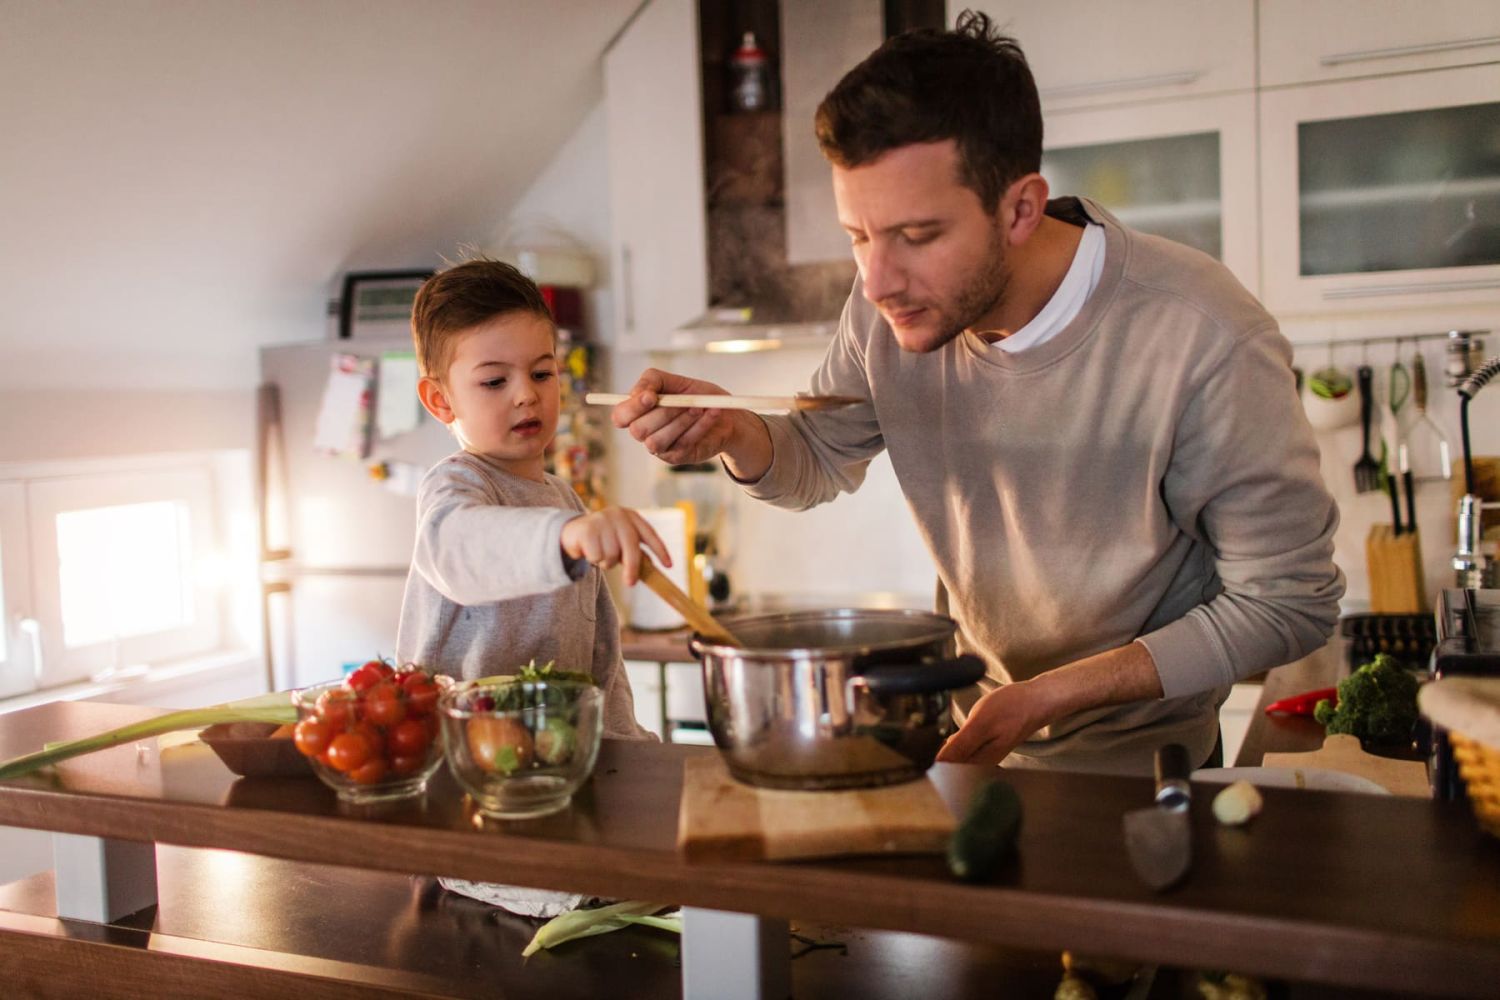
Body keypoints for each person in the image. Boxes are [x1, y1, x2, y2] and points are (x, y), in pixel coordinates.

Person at [609, 12, 1344, 776]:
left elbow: (1288, 602)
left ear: (1021, 208)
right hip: (973, 742)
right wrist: (731, 431)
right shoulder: (885, 311)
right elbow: (817, 458)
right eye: (858, 236)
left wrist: (1048, 697)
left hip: (1141, 767)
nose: (874, 281)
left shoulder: (1202, 333)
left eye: (917, 236)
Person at [395, 256, 664, 743]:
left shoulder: (564, 500)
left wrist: (626, 747)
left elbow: (601, 657)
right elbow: (460, 548)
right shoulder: (454, 486)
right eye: (495, 381)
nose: (526, 395)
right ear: (441, 401)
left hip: (560, 765)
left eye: (542, 373)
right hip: (463, 774)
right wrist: (565, 536)